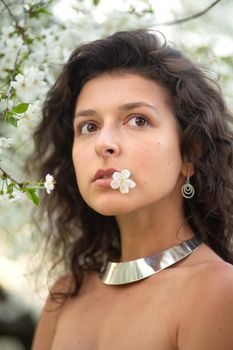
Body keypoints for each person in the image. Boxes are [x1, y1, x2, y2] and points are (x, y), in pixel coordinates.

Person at [31, 29, 233, 349]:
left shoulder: (217, 290)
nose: (104, 144)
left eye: (137, 120)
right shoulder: (65, 296)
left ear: (190, 153)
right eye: (89, 126)